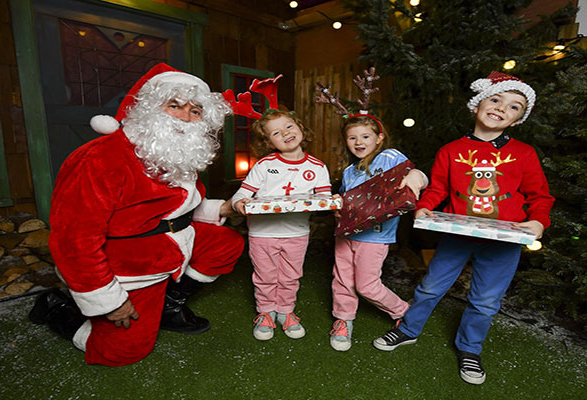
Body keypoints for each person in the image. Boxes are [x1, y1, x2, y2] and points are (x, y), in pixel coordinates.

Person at [28, 63, 245, 367]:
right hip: (129, 266)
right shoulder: (100, 158)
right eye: (175, 105)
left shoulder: (175, 151)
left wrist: (223, 207)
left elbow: (176, 207)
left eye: (195, 111)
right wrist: (110, 302)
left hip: (172, 245)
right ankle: (55, 307)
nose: (186, 116)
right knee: (122, 352)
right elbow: (73, 241)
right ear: (148, 109)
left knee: (226, 243)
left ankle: (169, 305)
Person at [372, 71, 555, 385]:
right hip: (457, 235)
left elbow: (540, 195)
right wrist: (426, 205)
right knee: (430, 287)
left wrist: (538, 220)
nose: (501, 108)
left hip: (504, 240)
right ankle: (407, 330)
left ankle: (470, 349)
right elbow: (438, 188)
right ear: (477, 105)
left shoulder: (524, 154)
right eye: (495, 99)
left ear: (516, 121)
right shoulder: (450, 151)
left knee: (485, 301)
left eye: (514, 107)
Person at [329, 114, 427, 351]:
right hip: (346, 235)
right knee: (342, 281)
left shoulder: (389, 157)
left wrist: (417, 177)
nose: (358, 142)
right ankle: (343, 320)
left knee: (366, 285)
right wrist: (336, 204)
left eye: (365, 136)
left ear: (379, 138)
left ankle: (404, 312)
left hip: (375, 236)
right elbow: (348, 200)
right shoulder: (350, 171)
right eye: (352, 137)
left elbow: (417, 175)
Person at [231, 109, 332, 341]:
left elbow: (324, 199)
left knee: (290, 276)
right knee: (265, 275)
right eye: (276, 132)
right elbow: (241, 194)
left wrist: (330, 204)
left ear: (300, 128)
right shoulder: (265, 165)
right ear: (268, 142)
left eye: (289, 126)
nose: (285, 133)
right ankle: (266, 312)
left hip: (297, 233)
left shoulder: (317, 167)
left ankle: (285, 311)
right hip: (262, 232)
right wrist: (240, 203)